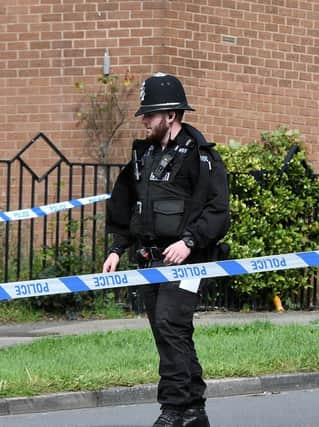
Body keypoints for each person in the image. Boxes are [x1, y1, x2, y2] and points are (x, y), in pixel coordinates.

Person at [103, 72, 230, 427]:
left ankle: (173, 410)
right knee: (167, 330)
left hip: (189, 260)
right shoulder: (143, 156)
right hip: (149, 259)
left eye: (150, 114)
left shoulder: (200, 157)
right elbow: (127, 205)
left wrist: (189, 242)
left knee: (170, 323)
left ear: (171, 115)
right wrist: (117, 248)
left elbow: (218, 210)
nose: (144, 120)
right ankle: (194, 409)